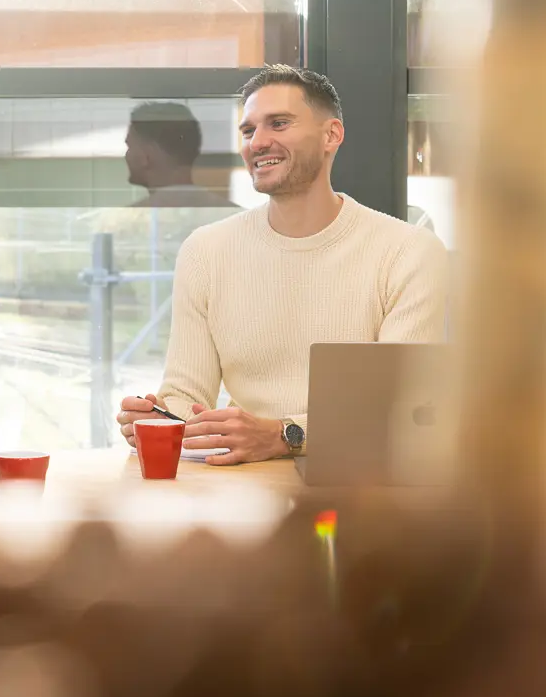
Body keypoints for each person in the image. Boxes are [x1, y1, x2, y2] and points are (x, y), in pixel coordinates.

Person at [115, 67, 448, 464]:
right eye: (248, 130)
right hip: (240, 493)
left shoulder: (409, 251)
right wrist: (160, 420)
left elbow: (402, 410)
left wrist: (284, 435)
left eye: (279, 124)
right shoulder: (205, 251)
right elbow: (187, 397)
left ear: (332, 135)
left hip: (362, 491)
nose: (259, 142)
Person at [124, 102, 237, 209]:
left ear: (146, 155)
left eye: (130, 147)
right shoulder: (234, 217)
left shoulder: (128, 221)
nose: (126, 156)